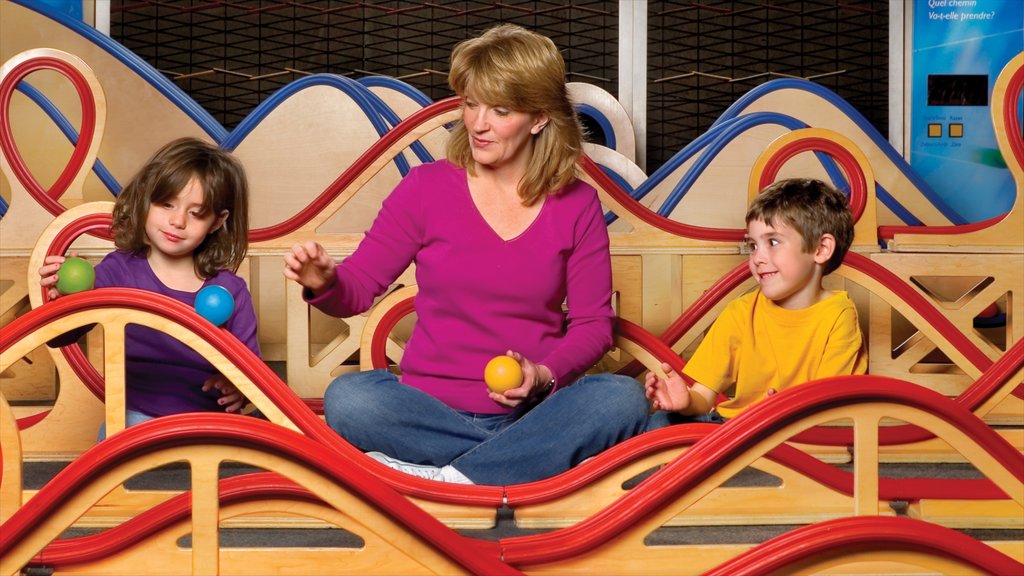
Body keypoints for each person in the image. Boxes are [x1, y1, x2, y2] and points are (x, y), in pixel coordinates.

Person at [283, 24, 649, 485]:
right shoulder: (425, 189)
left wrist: (543, 373)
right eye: (471, 103)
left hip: (533, 413)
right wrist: (324, 281)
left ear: (539, 118)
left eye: (500, 110)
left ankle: (450, 477)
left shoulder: (576, 204)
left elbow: (595, 327)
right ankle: (515, 469)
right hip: (426, 410)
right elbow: (356, 291)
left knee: (620, 399)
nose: (477, 123)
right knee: (349, 398)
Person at [40, 137, 260, 436]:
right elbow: (61, 335)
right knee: (116, 440)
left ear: (217, 221)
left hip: (211, 425)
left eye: (196, 213)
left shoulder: (231, 290)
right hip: (137, 418)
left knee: (270, 441)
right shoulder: (118, 271)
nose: (177, 221)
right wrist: (66, 299)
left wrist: (239, 388)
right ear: (145, 199)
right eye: (166, 204)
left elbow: (254, 374)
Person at [645, 178, 867, 429]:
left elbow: (830, 408)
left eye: (772, 242)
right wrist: (685, 402)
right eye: (753, 245)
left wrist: (785, 409)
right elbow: (703, 397)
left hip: (800, 428)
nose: (757, 258)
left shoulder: (839, 315)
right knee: (663, 421)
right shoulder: (740, 312)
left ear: (821, 248)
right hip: (734, 425)